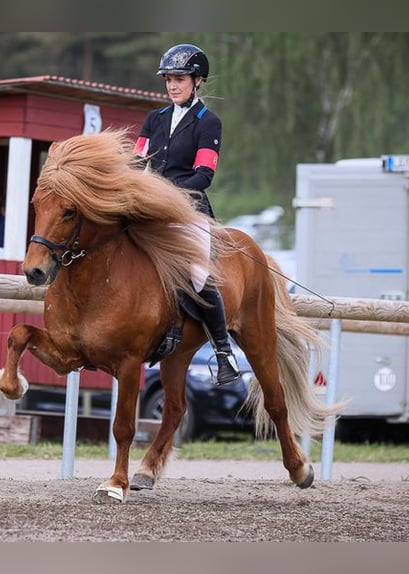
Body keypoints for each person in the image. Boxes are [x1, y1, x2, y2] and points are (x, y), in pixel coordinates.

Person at [134, 43, 239, 386]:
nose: (172, 85)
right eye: (168, 79)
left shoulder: (208, 123)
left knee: (197, 275)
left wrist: (169, 194)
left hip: (189, 210)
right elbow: (138, 163)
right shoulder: (155, 119)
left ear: (197, 81)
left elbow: (204, 175)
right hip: (152, 207)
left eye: (179, 79)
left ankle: (223, 353)